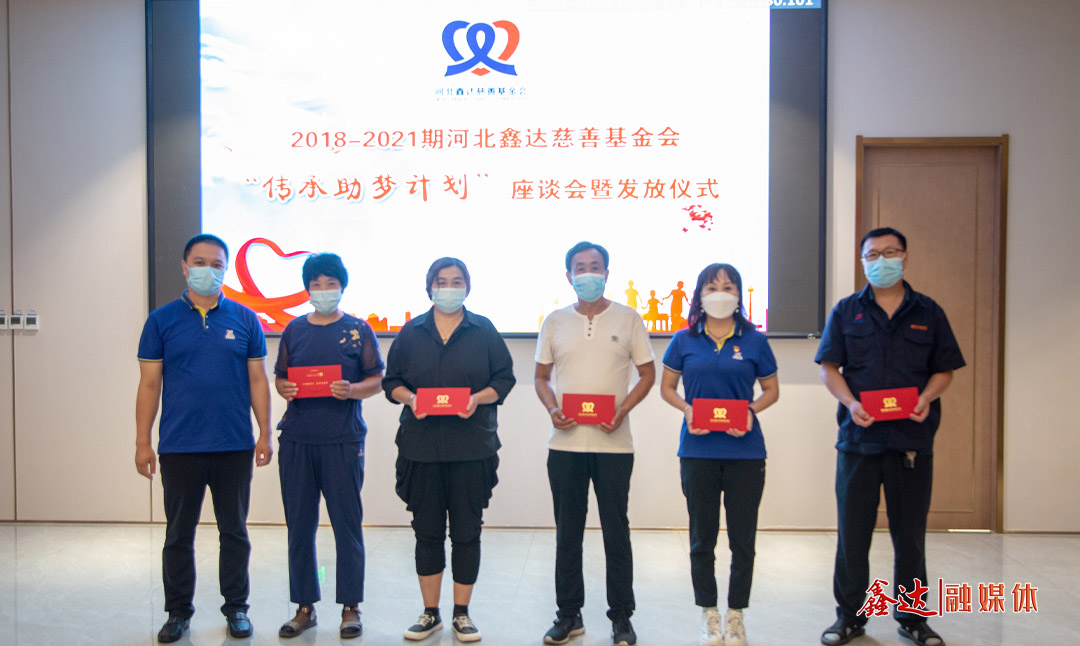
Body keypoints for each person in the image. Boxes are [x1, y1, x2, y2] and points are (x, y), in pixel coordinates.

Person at [815, 228, 965, 646]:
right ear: (863, 261)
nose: (881, 261)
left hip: (911, 440)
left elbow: (945, 369)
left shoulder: (929, 311)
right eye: (873, 255)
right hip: (858, 440)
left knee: (910, 536)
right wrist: (850, 403)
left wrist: (926, 398)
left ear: (905, 257)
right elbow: (828, 368)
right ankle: (850, 617)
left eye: (890, 252)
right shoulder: (847, 311)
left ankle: (913, 619)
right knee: (853, 535)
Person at [135, 233, 273, 643]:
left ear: (226, 269)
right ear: (184, 267)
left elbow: (257, 380)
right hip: (180, 447)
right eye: (199, 263)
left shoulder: (246, 319)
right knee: (178, 534)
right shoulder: (160, 321)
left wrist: (265, 433)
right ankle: (178, 612)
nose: (207, 271)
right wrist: (142, 442)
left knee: (235, 532)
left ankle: (237, 608)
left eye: (216, 264)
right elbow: (149, 385)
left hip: (234, 445)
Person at [383, 257, 516, 643]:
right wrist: (411, 399)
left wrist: (477, 399)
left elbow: (504, 379)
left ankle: (462, 613)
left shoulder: (484, 330)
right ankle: (430, 613)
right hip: (420, 448)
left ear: (467, 287)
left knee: (466, 532)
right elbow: (392, 382)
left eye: (457, 281)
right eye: (441, 281)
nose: (449, 288)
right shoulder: (410, 332)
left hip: (472, 447)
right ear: (429, 287)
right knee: (426, 533)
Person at [534, 241, 656, 646]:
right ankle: (569, 614)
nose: (588, 273)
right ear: (569, 276)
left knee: (616, 532)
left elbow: (648, 374)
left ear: (607, 273)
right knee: (567, 534)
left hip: (614, 446)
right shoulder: (554, 321)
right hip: (565, 446)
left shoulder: (629, 318)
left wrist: (623, 410)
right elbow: (540, 377)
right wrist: (553, 408)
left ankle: (621, 617)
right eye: (580, 267)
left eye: (595, 266)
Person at [659, 264, 779, 646]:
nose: (721, 293)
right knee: (702, 538)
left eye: (728, 287)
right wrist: (687, 409)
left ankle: (736, 614)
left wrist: (751, 411)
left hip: (746, 452)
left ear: (739, 294)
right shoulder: (684, 339)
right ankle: (709, 614)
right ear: (700, 295)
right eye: (712, 287)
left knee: (743, 540)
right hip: (697, 451)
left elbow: (771, 390)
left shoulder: (755, 340)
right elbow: (667, 387)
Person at [273, 253, 384, 639]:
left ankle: (351, 607)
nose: (323, 291)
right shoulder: (293, 330)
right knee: (300, 526)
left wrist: (351, 389)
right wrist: (285, 388)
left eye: (330, 284)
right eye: (316, 284)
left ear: (342, 286)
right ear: (307, 289)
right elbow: (280, 377)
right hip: (298, 440)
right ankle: (305, 606)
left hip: (342, 440)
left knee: (346, 525)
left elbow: (377, 379)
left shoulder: (358, 330)